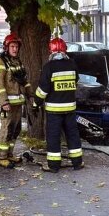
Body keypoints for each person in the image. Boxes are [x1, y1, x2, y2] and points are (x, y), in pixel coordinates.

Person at [35, 38, 83, 172]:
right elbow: (76, 82)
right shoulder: (72, 64)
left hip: (54, 110)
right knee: (73, 135)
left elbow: (43, 90)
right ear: (65, 50)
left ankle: (54, 166)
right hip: (70, 109)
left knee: (53, 137)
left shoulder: (49, 67)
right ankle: (77, 163)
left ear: (51, 51)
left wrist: (35, 103)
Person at [0, 33, 32, 168]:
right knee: (6, 129)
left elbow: (24, 81)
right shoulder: (0, 62)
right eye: (12, 46)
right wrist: (4, 102)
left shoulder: (17, 62)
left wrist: (31, 95)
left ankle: (9, 154)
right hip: (8, 104)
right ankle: (1, 157)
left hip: (18, 103)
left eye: (16, 47)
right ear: (6, 47)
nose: (15, 49)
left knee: (15, 129)